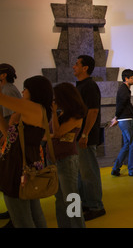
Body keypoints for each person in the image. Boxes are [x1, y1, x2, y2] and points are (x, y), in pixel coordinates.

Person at [0, 75, 53, 227]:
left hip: (18, 166)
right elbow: (10, 136)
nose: (22, 92)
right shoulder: (34, 110)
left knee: (22, 218)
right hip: (24, 162)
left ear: (34, 91)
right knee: (33, 212)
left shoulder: (35, 108)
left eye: (25, 89)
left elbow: (2, 99)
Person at [73, 55, 106, 221]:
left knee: (88, 172)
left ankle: (96, 206)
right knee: (82, 172)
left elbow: (93, 111)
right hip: (79, 136)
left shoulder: (90, 86)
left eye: (77, 64)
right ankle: (86, 202)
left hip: (85, 136)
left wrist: (85, 134)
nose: (74, 66)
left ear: (85, 68)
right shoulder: (81, 86)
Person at [49, 82, 87, 228]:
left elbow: (57, 133)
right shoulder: (63, 113)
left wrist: (53, 112)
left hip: (66, 159)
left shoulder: (76, 116)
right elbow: (50, 133)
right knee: (59, 198)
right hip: (55, 158)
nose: (54, 100)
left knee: (71, 198)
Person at [110, 69, 133, 177]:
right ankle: (132, 170)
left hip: (124, 120)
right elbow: (121, 104)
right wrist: (117, 117)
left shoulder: (124, 89)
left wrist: (117, 117)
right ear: (126, 78)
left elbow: (121, 104)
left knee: (127, 145)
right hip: (126, 120)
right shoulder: (124, 89)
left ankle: (116, 169)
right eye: (132, 77)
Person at [0, 63, 21, 227]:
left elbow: (12, 118)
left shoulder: (7, 90)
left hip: (10, 139)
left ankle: (16, 216)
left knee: (11, 176)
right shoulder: (8, 89)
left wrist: (6, 137)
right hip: (9, 137)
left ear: (3, 75)